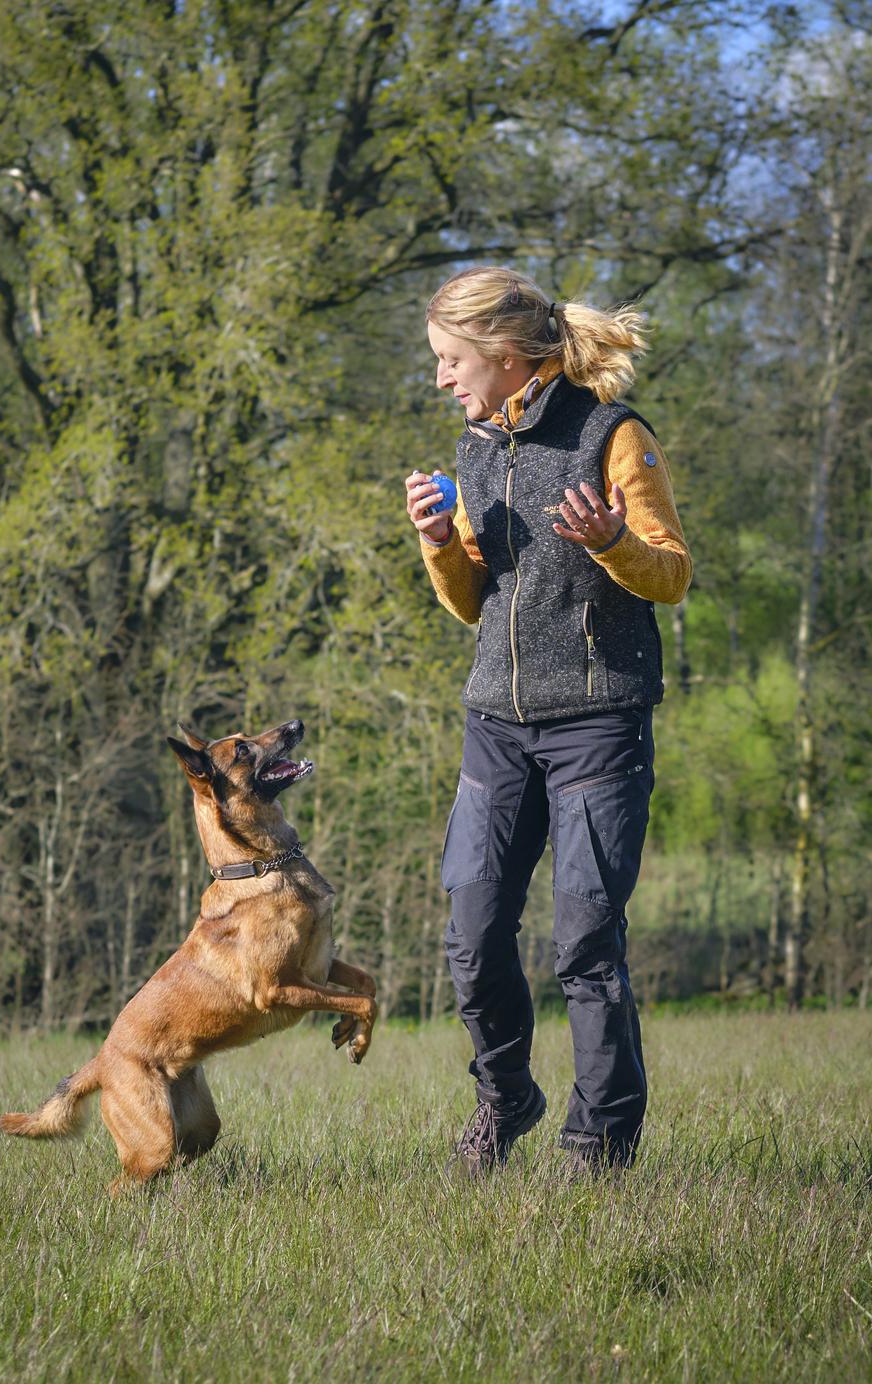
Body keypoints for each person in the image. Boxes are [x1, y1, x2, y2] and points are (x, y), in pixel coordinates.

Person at [405, 266, 691, 1177]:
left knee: (585, 945)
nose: (443, 378)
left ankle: (601, 1142)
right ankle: (505, 1097)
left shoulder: (612, 435)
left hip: (598, 724)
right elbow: (469, 603)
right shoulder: (476, 446)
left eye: (452, 361)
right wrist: (440, 543)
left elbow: (673, 574)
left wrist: (612, 541)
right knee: (474, 930)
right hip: (496, 722)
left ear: (502, 353)